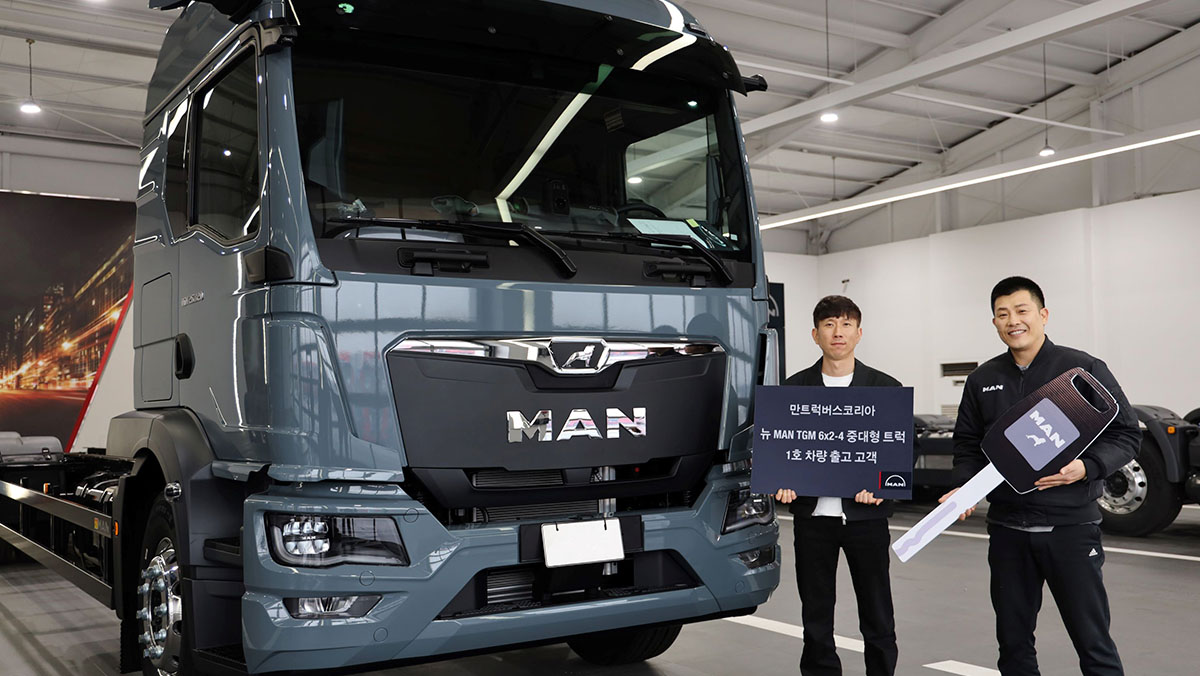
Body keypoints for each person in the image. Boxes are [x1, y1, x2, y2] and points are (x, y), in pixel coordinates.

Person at [941, 276, 1139, 676]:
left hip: (1071, 528)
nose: (1013, 321)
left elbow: (1126, 434)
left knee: (1093, 643)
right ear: (994, 322)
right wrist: (964, 487)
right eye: (1002, 314)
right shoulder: (982, 380)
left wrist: (1087, 467)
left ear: (1043, 315)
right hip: (1008, 531)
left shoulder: (1081, 369)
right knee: (1013, 645)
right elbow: (967, 444)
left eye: (1022, 310)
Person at [775, 295, 900, 676]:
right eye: (829, 324)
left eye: (846, 324)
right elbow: (780, 448)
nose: (838, 332)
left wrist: (882, 485)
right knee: (815, 613)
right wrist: (781, 481)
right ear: (815, 335)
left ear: (859, 333)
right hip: (813, 520)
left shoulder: (885, 388)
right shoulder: (792, 390)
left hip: (866, 519)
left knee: (877, 612)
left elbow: (898, 451)